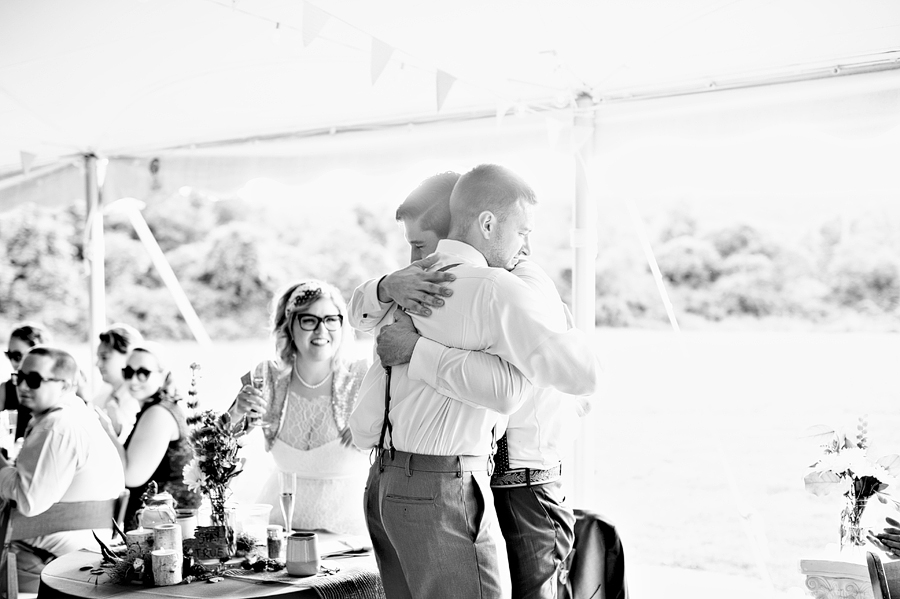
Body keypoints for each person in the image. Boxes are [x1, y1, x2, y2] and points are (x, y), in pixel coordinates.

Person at [349, 164, 601, 599]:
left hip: (384, 482)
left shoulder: (407, 286)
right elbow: (577, 376)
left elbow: (360, 311)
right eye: (522, 231)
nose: (526, 246)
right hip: (445, 484)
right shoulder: (495, 288)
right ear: (487, 223)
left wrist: (407, 331)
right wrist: (555, 321)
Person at [228, 280, 370, 535]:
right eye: (309, 320)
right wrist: (236, 411)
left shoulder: (363, 378)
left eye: (331, 319)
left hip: (352, 534)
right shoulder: (266, 378)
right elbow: (217, 446)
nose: (321, 330)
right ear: (289, 325)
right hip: (280, 528)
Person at [0, 346, 125, 592]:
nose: (23, 386)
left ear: (66, 385)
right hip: (92, 541)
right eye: (20, 378)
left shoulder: (56, 425)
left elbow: (28, 501)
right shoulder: (78, 414)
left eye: (34, 380)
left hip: (58, 554)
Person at [121, 341, 200, 529]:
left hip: (165, 529)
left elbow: (132, 476)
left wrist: (107, 430)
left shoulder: (158, 413)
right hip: (161, 523)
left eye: (143, 372)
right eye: (128, 372)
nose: (133, 380)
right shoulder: (163, 407)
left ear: (163, 375)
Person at [1, 322, 52, 440]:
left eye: (18, 356)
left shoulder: (53, 390)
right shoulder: (6, 389)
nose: (14, 362)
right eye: (10, 355)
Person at [94, 323, 143, 442]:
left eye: (104, 357)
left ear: (128, 357)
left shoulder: (136, 400)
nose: (98, 364)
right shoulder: (103, 394)